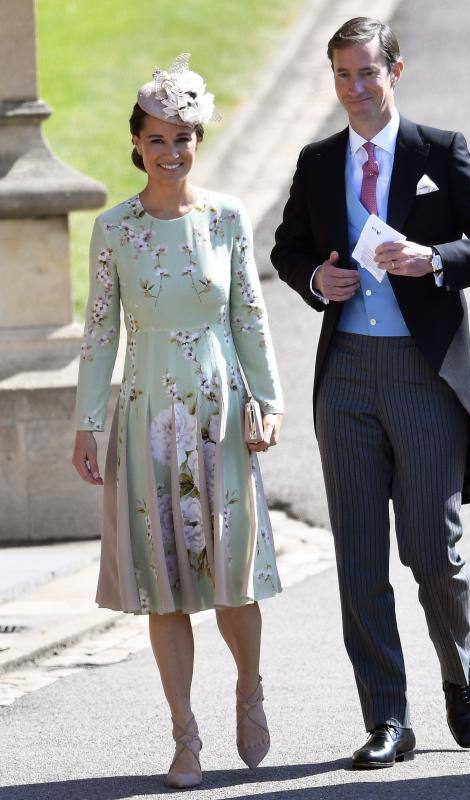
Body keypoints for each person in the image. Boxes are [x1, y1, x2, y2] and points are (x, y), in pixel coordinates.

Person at [271, 17, 470, 769]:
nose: (355, 90)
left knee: (430, 552)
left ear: (395, 72)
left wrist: (432, 258)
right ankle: (388, 718)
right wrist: (316, 279)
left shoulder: (438, 152)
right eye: (342, 76)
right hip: (344, 374)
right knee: (359, 558)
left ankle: (460, 662)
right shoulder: (319, 161)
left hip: (423, 377)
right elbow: (285, 246)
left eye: (367, 74)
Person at [72, 55, 284, 788]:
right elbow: (101, 332)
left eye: (184, 138)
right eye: (157, 139)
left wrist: (269, 399)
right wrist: (86, 422)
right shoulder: (114, 230)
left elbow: (248, 315)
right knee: (165, 583)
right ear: (136, 143)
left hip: (221, 411)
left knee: (233, 575)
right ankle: (184, 737)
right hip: (145, 413)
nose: (171, 153)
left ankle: (249, 688)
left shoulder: (226, 218)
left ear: (199, 141)